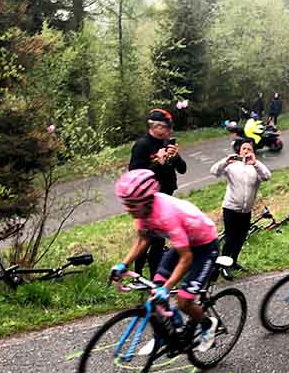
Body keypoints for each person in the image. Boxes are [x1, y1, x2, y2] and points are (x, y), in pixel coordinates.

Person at [111, 169, 219, 352]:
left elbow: (186, 258)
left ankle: (208, 324)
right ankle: (165, 335)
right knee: (156, 289)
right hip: (184, 244)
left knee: (184, 301)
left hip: (204, 247)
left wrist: (167, 288)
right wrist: (124, 265)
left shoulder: (167, 215)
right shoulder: (143, 212)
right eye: (125, 203)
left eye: (131, 204)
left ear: (145, 200)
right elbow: (143, 240)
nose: (127, 208)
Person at [128, 109, 188, 278]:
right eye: (166, 128)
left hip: (166, 197)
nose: (169, 132)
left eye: (170, 128)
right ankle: (138, 275)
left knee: (159, 240)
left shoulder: (166, 143)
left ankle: (156, 277)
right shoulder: (142, 145)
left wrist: (175, 157)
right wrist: (157, 163)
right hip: (149, 199)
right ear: (155, 126)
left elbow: (182, 169)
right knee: (146, 238)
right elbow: (134, 173)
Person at [210, 139, 272, 271]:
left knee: (241, 237)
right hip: (231, 208)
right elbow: (214, 171)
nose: (246, 151)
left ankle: (233, 262)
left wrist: (255, 163)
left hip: (246, 210)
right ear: (239, 151)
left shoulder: (255, 167)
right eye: (244, 148)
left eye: (249, 149)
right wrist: (225, 161)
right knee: (230, 237)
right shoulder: (232, 165)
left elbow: (267, 176)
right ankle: (222, 266)